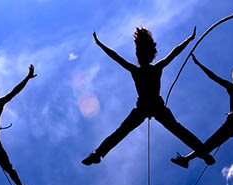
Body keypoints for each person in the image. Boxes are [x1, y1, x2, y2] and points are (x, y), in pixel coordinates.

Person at [82, 27, 215, 166]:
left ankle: (97, 154)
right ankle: (204, 153)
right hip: (151, 107)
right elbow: (174, 52)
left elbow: (116, 57)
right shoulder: (154, 68)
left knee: (122, 131)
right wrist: (189, 39)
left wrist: (100, 44)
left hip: (148, 107)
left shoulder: (138, 70)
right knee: (177, 130)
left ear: (140, 56)